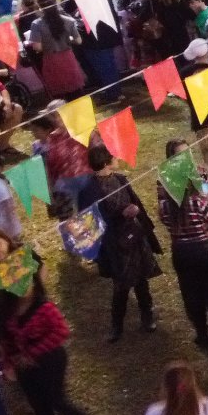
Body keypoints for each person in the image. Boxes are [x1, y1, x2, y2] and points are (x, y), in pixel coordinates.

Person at [155, 139, 208, 349]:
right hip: (206, 251)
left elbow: (165, 218)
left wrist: (205, 180)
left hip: (181, 252)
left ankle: (201, 335)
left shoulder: (164, 206)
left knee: (191, 294)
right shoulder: (197, 202)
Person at [77, 146, 160, 343]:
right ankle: (117, 325)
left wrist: (136, 211)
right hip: (115, 242)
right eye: (113, 157)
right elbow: (89, 220)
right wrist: (119, 214)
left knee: (141, 278)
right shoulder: (89, 189)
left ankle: (147, 315)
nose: (117, 159)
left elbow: (133, 200)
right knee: (121, 284)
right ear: (106, 162)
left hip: (134, 237)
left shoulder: (120, 179)